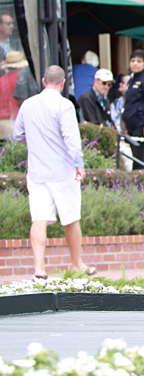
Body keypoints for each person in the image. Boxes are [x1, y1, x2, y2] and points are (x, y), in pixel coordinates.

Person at [12, 65, 96, 278]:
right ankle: (77, 263)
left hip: (38, 170)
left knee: (39, 218)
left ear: (42, 81)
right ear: (62, 83)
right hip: (63, 169)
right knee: (71, 218)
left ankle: (39, 267)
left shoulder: (28, 104)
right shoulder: (64, 105)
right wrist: (79, 163)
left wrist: (34, 141)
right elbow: (71, 138)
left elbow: (17, 134)